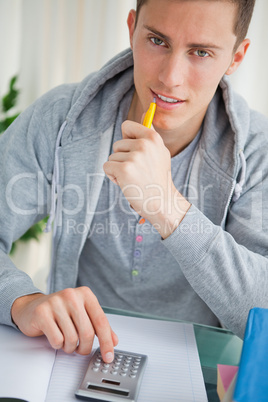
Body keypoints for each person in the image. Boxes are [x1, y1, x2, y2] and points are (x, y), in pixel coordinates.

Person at [0, 0, 266, 364]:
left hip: (201, 373)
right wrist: (20, 301)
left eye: (201, 52)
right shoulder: (59, 118)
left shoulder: (258, 153)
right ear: (131, 28)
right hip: (75, 357)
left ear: (236, 57)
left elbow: (263, 311)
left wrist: (167, 207)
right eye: (158, 41)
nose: (170, 77)